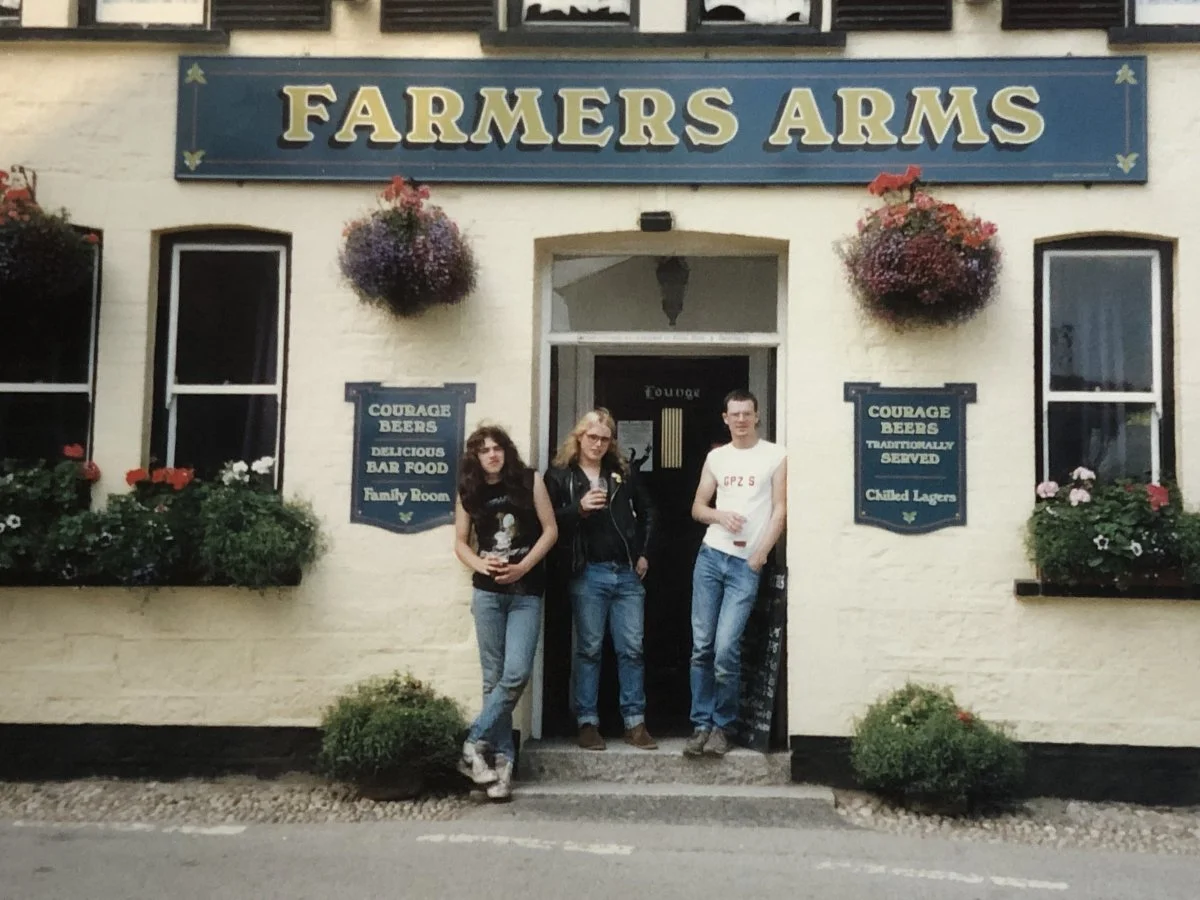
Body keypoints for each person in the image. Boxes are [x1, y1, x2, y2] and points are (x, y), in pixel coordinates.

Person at [454, 425, 558, 801]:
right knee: (492, 678)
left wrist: (523, 567)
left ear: (506, 451)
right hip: (487, 594)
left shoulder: (529, 481)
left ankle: (472, 743)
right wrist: (481, 565)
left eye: (497, 448)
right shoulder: (469, 490)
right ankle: (500, 766)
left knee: (515, 674)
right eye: (484, 450)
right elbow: (461, 542)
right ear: (475, 457)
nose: (492, 455)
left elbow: (550, 530)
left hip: (525, 592)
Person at [545, 408, 658, 751]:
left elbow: (649, 512)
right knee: (589, 649)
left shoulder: (622, 473)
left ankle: (635, 723)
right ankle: (587, 722)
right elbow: (546, 522)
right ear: (579, 437)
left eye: (604, 439)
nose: (598, 444)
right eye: (592, 437)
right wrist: (577, 509)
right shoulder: (560, 475)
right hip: (588, 571)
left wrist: (643, 553)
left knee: (632, 649)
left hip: (626, 572)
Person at [684, 389, 787, 759]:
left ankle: (723, 726)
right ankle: (701, 724)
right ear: (725, 419)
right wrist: (720, 515)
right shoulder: (717, 457)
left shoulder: (776, 455)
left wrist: (761, 554)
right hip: (712, 557)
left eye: (747, 413)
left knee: (726, 648)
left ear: (756, 416)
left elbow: (780, 509)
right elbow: (698, 507)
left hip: (745, 564)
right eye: (735, 414)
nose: (741, 420)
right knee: (702, 647)